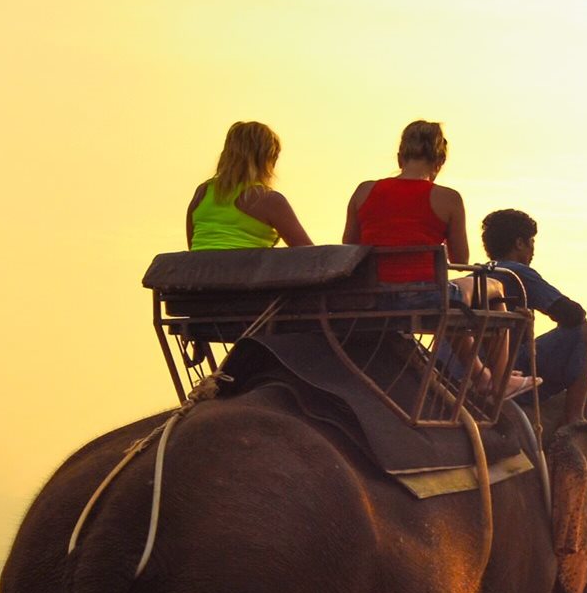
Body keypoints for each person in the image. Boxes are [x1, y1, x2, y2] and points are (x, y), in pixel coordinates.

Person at [343, 121, 534, 397]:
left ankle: (481, 375)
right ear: (440, 161)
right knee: (492, 287)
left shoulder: (363, 191)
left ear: (400, 157)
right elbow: (460, 259)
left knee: (451, 300)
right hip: (424, 298)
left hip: (371, 297)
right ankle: (502, 380)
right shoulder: (448, 198)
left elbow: (348, 248)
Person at [481, 208, 587, 423]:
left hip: (470, 366)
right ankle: (575, 418)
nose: (533, 249)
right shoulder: (516, 272)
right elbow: (573, 315)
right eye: (531, 242)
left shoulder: (479, 273)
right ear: (519, 243)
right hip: (502, 365)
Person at [185, 121, 313, 251]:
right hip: (245, 271)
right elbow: (311, 256)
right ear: (266, 159)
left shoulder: (202, 193)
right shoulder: (269, 200)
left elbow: (193, 247)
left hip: (198, 270)